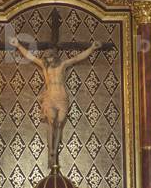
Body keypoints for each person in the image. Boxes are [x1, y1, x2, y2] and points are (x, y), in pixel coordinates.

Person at [8, 36, 101, 169]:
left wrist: (92, 48)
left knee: (59, 125)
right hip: (50, 97)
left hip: (61, 97)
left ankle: (55, 150)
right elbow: (30, 56)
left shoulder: (62, 65)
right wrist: (18, 45)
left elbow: (78, 58)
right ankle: (51, 150)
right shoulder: (43, 65)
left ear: (55, 57)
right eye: (46, 57)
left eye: (50, 57)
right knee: (51, 122)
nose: (48, 59)